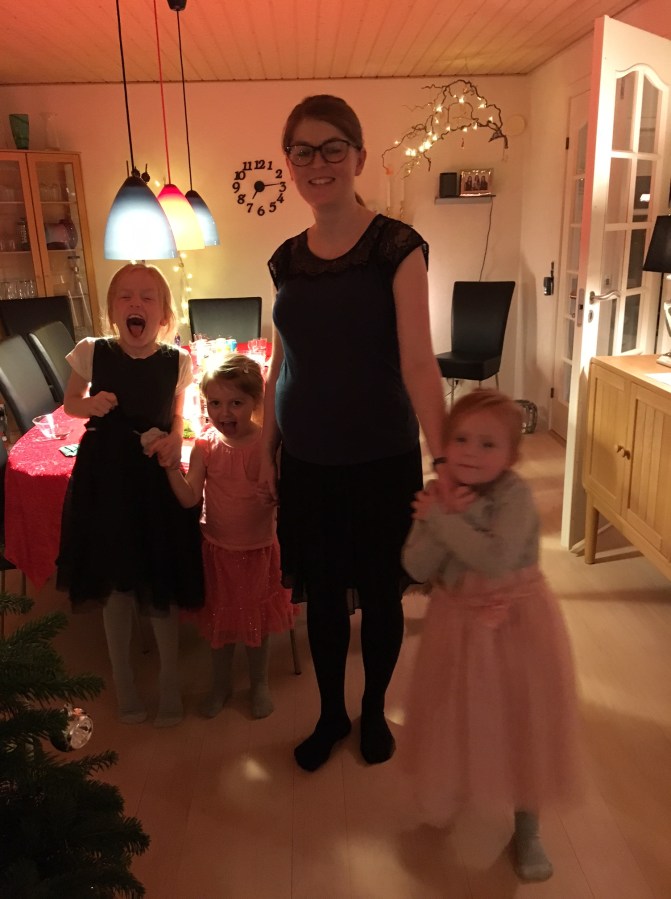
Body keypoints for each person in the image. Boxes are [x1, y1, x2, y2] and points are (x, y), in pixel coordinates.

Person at [259, 94, 447, 772]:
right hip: (306, 462)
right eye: (303, 151)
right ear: (289, 163)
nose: (319, 162)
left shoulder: (397, 248)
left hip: (379, 460)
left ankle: (371, 712)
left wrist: (449, 461)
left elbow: (419, 362)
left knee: (379, 595)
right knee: (322, 600)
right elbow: (281, 362)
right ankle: (330, 713)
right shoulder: (285, 259)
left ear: (358, 157)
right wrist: (266, 448)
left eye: (332, 147)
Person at [401, 389, 581, 882]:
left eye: (488, 444)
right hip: (454, 625)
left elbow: (497, 559)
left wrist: (444, 517)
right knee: (456, 712)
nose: (470, 453)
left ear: (511, 456)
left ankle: (528, 827)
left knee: (523, 722)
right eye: (460, 439)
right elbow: (415, 565)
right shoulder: (439, 492)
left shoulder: (514, 495)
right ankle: (460, 786)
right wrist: (434, 518)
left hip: (516, 627)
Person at [57, 263, 203, 727]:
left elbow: (177, 417)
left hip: (153, 476)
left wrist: (174, 439)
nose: (135, 303)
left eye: (147, 297)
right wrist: (88, 404)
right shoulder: (91, 351)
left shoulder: (177, 361)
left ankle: (169, 681)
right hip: (106, 480)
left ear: (164, 315)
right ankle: (123, 681)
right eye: (125, 296)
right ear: (112, 310)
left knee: (160, 579)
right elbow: (70, 403)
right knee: (116, 583)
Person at [165, 354, 297, 719]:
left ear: (256, 402)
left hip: (258, 550)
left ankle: (259, 683)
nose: (224, 412)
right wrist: (171, 467)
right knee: (219, 625)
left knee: (257, 624)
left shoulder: (268, 446)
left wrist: (275, 495)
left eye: (236, 403)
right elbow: (190, 497)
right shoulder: (205, 445)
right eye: (215, 403)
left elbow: (286, 494)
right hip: (218, 551)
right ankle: (220, 685)